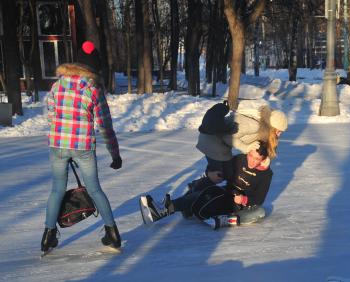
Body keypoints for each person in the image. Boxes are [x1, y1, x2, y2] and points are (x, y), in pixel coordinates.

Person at [42, 41, 123, 253]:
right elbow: (105, 126)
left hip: (58, 145)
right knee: (94, 189)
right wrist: (115, 155)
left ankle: (48, 236)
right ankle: (112, 234)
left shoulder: (57, 85)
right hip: (83, 146)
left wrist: (59, 136)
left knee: (57, 189)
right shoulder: (92, 89)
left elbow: (51, 115)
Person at [139, 141, 273, 225]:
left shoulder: (266, 175)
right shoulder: (240, 159)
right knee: (199, 186)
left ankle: (162, 211)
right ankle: (174, 209)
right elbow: (223, 169)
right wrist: (210, 175)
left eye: (257, 159)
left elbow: (259, 199)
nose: (252, 161)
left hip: (237, 203)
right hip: (227, 192)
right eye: (251, 156)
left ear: (263, 159)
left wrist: (243, 199)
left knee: (203, 195)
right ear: (248, 151)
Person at [195, 103, 287, 182]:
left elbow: (261, 146)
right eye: (278, 131)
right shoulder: (253, 126)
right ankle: (200, 186)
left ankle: (206, 179)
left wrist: (265, 159)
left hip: (221, 145)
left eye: (281, 132)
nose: (278, 135)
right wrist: (245, 147)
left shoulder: (263, 131)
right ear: (272, 127)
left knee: (227, 173)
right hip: (212, 141)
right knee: (221, 175)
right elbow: (227, 137)